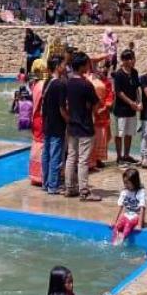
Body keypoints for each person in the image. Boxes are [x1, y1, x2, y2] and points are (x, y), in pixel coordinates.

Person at [61, 51, 99, 200]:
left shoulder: (67, 83)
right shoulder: (86, 85)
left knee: (71, 157)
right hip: (85, 126)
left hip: (72, 126)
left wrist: (69, 118)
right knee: (83, 160)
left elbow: (63, 105)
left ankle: (69, 187)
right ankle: (84, 191)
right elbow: (96, 105)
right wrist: (90, 110)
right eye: (87, 63)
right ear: (82, 66)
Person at [39, 55, 68, 195]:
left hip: (47, 123)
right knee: (55, 156)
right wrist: (69, 120)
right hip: (57, 125)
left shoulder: (47, 82)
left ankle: (45, 183)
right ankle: (53, 186)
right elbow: (62, 108)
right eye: (63, 64)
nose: (65, 67)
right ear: (57, 66)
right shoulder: (60, 84)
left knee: (46, 155)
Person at [112, 49, 140, 166]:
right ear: (124, 60)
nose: (132, 61)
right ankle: (119, 157)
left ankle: (126, 155)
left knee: (129, 133)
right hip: (121, 109)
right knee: (120, 133)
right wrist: (130, 102)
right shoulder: (118, 74)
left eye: (133, 58)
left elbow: (137, 89)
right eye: (130, 59)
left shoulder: (134, 72)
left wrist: (139, 102)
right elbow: (119, 92)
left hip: (131, 110)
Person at [110, 167, 146, 245]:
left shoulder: (141, 192)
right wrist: (115, 221)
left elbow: (142, 208)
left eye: (127, 183)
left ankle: (121, 240)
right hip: (127, 214)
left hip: (137, 215)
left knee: (128, 224)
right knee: (117, 226)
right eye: (124, 182)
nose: (125, 185)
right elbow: (120, 207)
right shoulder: (124, 192)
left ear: (135, 182)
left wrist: (139, 225)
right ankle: (113, 243)